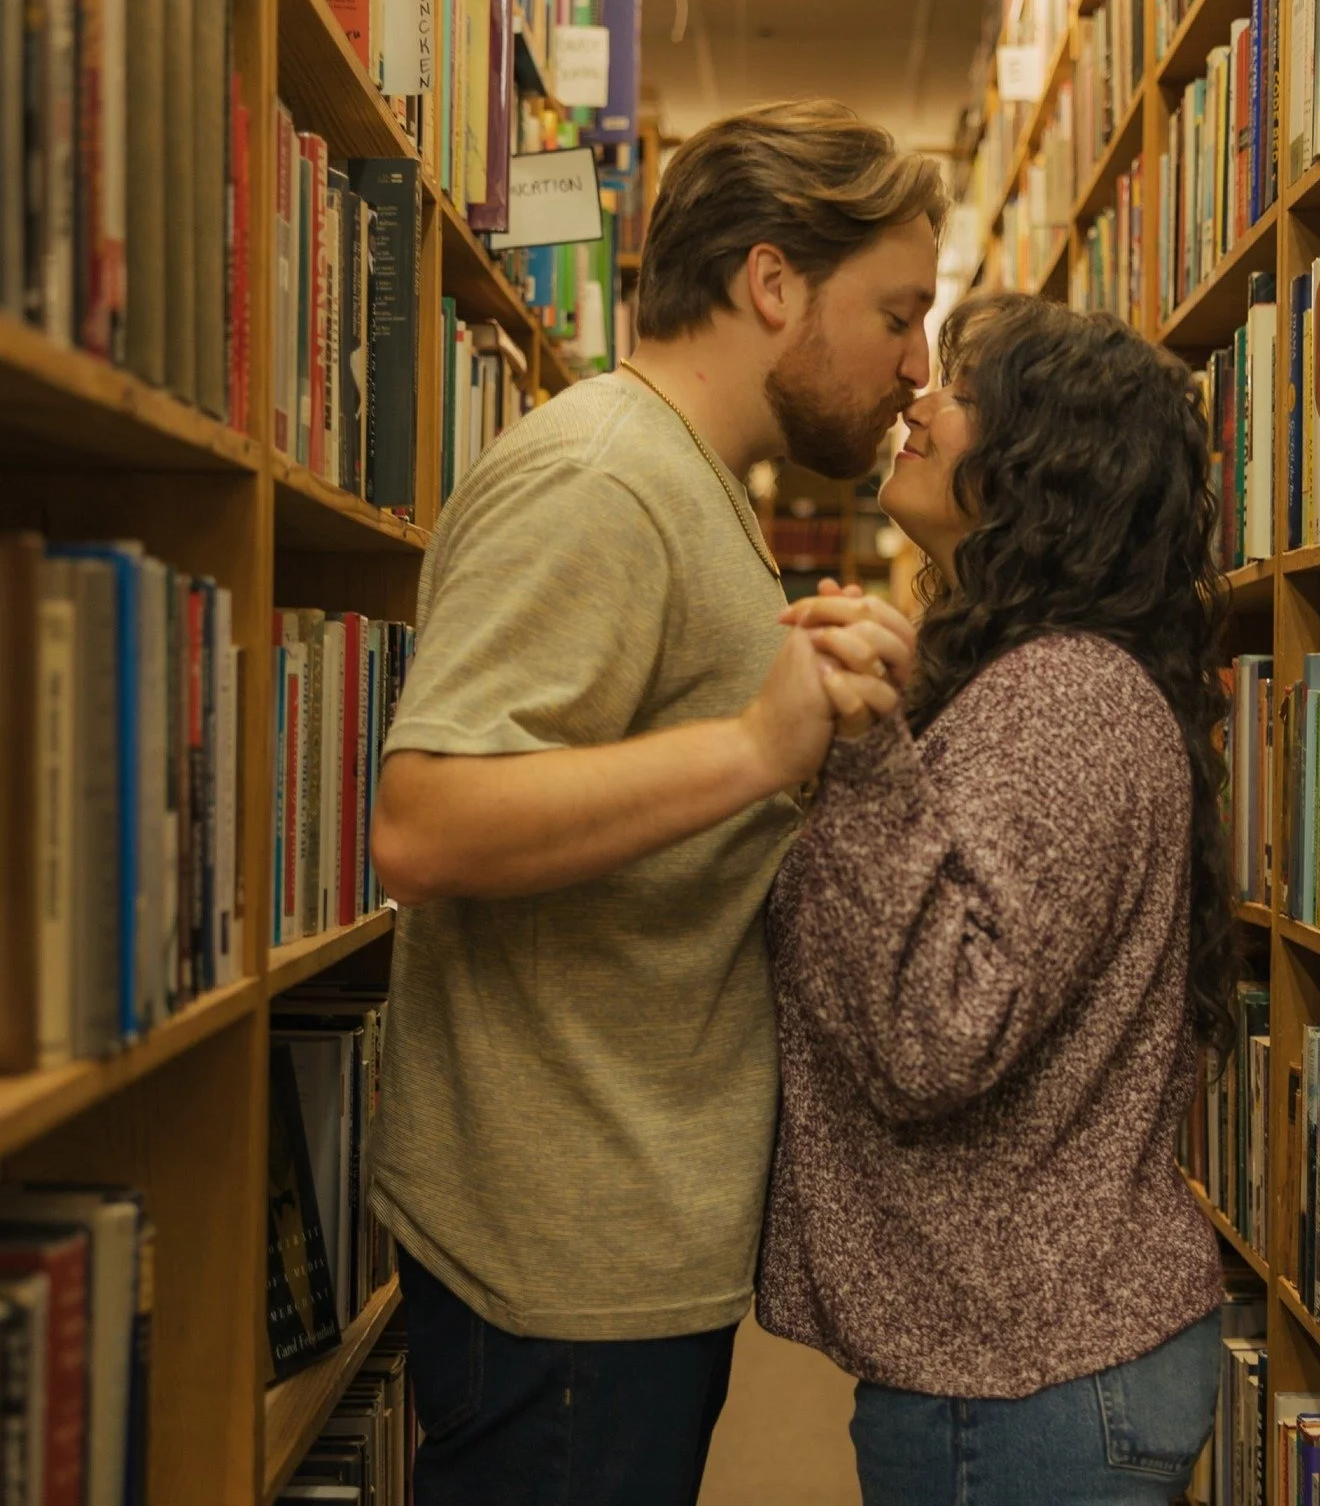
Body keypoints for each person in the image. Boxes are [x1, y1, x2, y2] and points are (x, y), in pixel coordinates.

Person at [367, 99, 947, 1505]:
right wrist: (757, 749)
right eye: (898, 314)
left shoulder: (683, 483)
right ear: (771, 284)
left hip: (620, 1235)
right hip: (560, 1261)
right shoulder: (601, 476)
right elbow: (425, 821)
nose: (917, 369)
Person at [758, 293, 1235, 1506]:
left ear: (1047, 463)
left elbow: (933, 1034)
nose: (921, 398)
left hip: (1028, 1377)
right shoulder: (1031, 685)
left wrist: (865, 752)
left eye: (963, 391)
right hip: (1023, 1359)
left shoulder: (1066, 697)